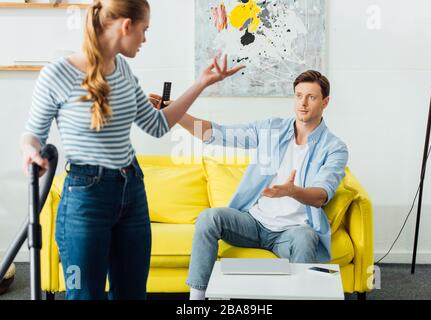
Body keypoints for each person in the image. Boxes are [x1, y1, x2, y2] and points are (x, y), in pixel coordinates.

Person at [20, 0, 244, 300]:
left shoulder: (122, 68)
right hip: (86, 198)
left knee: (132, 294)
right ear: (126, 26)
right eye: (144, 30)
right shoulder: (57, 73)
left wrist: (201, 83)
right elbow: (33, 135)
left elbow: (156, 124)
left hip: (132, 191)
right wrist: (31, 152)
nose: (145, 39)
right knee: (86, 295)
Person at [151, 70, 348, 300]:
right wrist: (175, 113)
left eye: (311, 97)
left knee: (306, 237)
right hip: (254, 222)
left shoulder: (334, 148)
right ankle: (197, 299)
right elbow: (217, 134)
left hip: (292, 232)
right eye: (298, 95)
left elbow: (321, 195)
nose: (303, 103)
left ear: (325, 102)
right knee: (208, 217)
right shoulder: (272, 130)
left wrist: (293, 192)